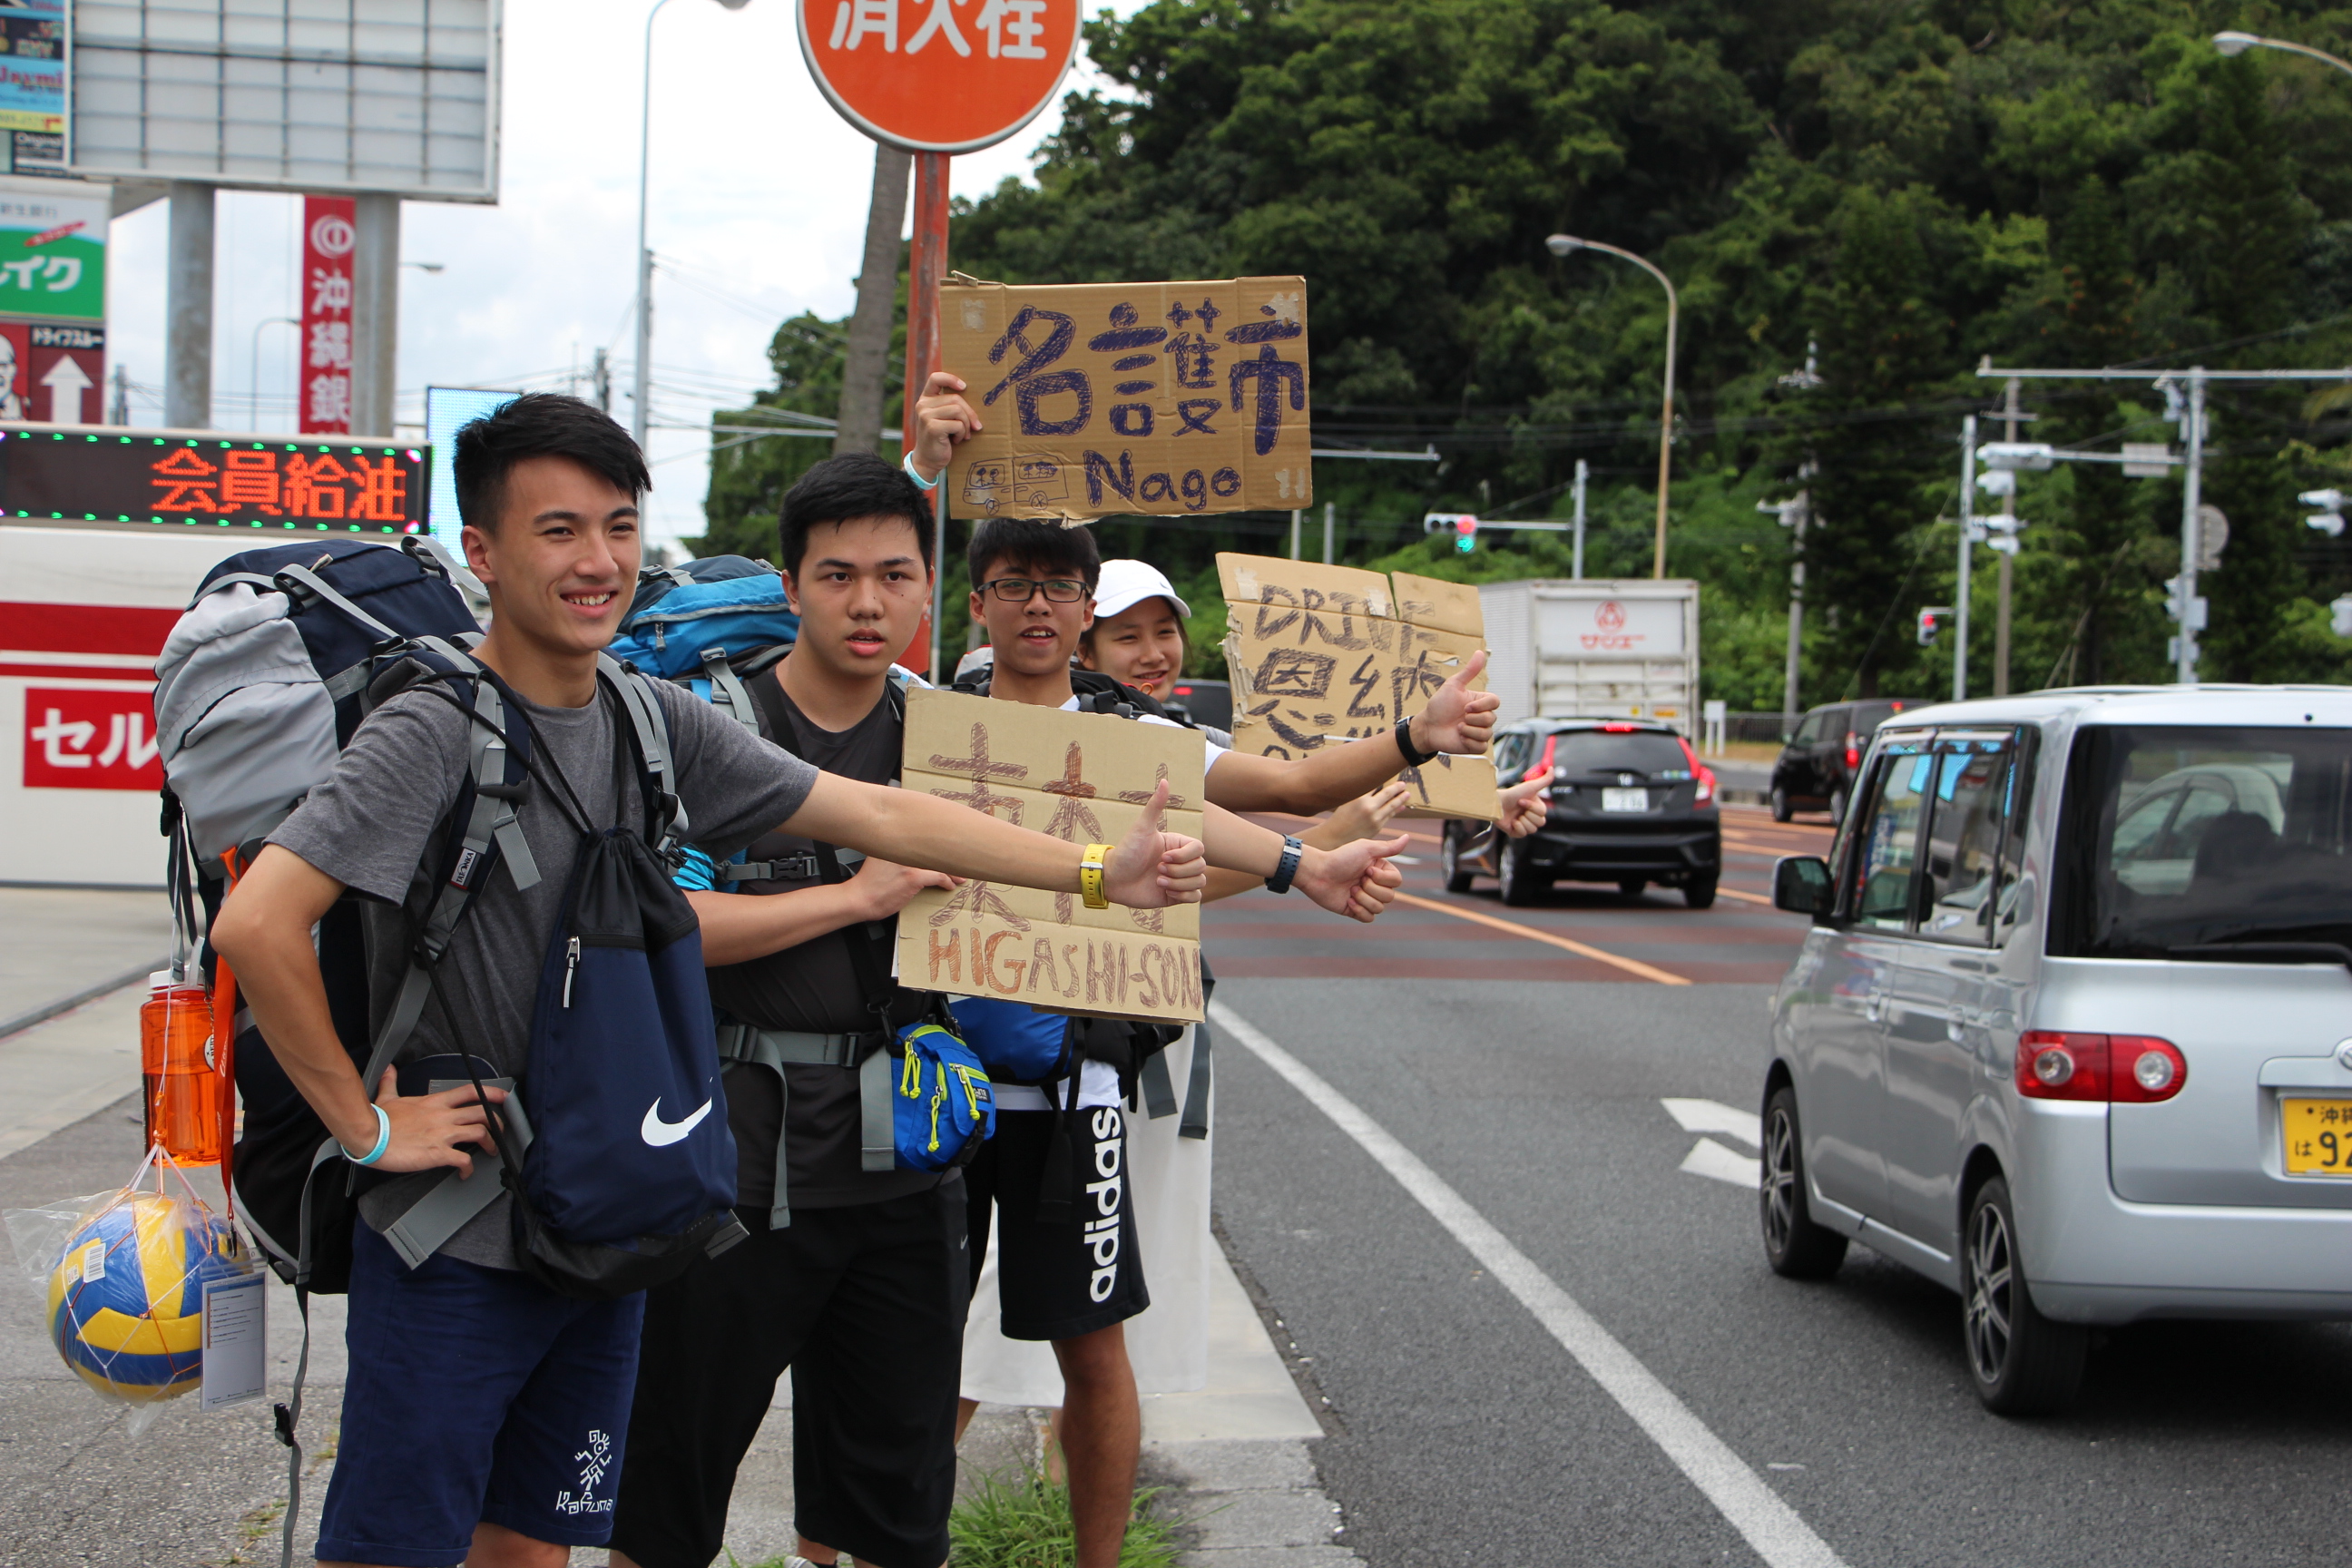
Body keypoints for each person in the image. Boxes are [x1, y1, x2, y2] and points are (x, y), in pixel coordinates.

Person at [209, 395, 1208, 1568]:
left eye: (621, 527)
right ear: (482, 554)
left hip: (605, 1211)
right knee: (397, 1548)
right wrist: (366, 1127)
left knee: (534, 1544)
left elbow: (884, 810)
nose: (599, 562)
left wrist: (1100, 870)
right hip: (455, 1230)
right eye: (559, 531)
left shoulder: (649, 718)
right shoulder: (433, 730)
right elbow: (259, 925)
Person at [963, 559, 1553, 1442]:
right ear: (1080, 629)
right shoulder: (1003, 717)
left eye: (1166, 632)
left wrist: (1476, 801)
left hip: (1119, 1043)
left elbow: (1301, 790)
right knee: (973, 1315)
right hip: (1002, 1047)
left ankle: (1062, 1478)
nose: (1155, 651)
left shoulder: (1162, 735)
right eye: (1129, 633)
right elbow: (1269, 825)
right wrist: (1308, 854)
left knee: (1103, 1295)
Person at [605, 453, 976, 1568]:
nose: (869, 604)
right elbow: (668, 922)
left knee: (891, 1518)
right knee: (669, 1498)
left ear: (927, 589)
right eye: (838, 575)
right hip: (731, 1170)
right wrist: (854, 896)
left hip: (908, 1172)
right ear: (792, 582)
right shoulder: (714, 723)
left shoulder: (949, 738)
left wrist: (1307, 851)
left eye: (895, 576)